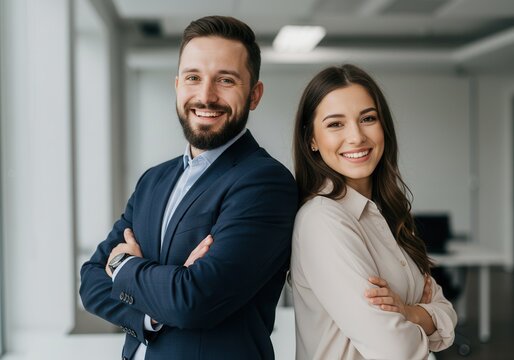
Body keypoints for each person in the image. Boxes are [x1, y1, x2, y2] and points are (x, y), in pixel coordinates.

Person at [80, 16, 298, 360]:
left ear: (254, 95)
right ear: (178, 85)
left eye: (225, 80)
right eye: (194, 78)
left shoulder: (265, 184)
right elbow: (91, 281)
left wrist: (122, 265)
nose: (206, 96)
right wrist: (155, 311)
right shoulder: (153, 180)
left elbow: (193, 301)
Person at [290, 64, 457, 360]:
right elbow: (396, 349)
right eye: (335, 124)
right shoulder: (323, 220)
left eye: (367, 118)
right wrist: (424, 316)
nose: (356, 137)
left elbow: (447, 311)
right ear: (311, 140)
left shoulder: (388, 214)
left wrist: (407, 313)